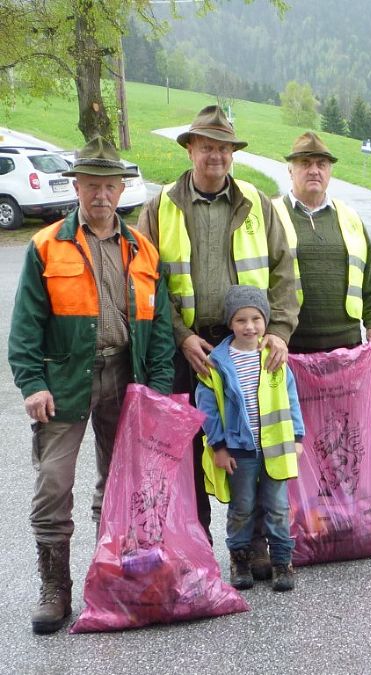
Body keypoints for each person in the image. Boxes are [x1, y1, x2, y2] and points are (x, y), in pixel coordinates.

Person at [8, 137, 175, 634]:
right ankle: (55, 587)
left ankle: (107, 579)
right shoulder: (46, 245)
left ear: (122, 188)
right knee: (53, 484)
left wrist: (158, 388)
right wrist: (33, 383)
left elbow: (159, 326)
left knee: (118, 484)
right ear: (76, 186)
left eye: (109, 185)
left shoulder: (143, 249)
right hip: (64, 380)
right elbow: (24, 327)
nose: (100, 194)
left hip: (126, 375)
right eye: (91, 185)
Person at [138, 105, 299, 576]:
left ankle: (257, 545)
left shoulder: (257, 202)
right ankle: (199, 546)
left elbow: (285, 273)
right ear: (190, 149)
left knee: (255, 445)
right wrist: (182, 336)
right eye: (207, 146)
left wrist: (279, 332)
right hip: (185, 350)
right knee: (192, 451)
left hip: (247, 346)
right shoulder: (161, 206)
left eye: (224, 148)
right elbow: (145, 283)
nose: (216, 155)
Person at [196, 285, 305, 592]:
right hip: (240, 451)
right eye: (241, 320)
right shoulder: (216, 363)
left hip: (277, 446)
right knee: (242, 507)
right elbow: (207, 409)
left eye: (256, 319)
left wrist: (296, 436)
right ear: (230, 323)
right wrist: (218, 446)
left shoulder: (273, 357)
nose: (249, 326)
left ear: (265, 322)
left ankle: (282, 562)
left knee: (278, 506)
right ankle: (240, 560)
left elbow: (291, 397)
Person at [271, 131, 371, 355]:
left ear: (330, 171)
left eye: (321, 164)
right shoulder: (271, 215)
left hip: (346, 349)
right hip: (288, 349)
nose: (314, 170)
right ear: (290, 170)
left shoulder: (350, 218)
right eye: (305, 163)